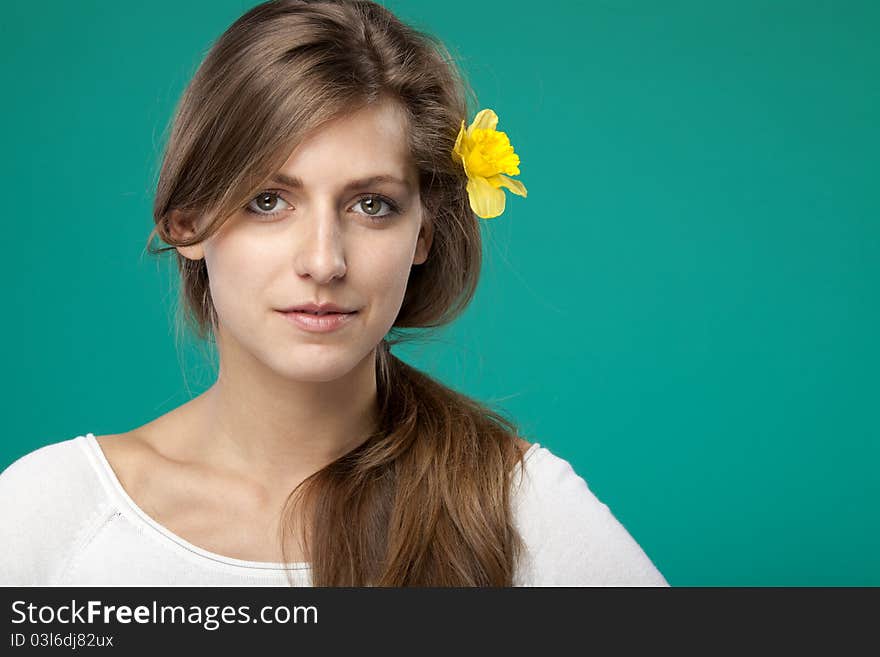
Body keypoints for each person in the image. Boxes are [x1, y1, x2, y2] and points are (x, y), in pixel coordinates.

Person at [0, 0, 668, 587]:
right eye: (269, 200)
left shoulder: (519, 508)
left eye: (372, 204)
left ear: (425, 234)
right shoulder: (52, 516)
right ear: (189, 222)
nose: (324, 260)